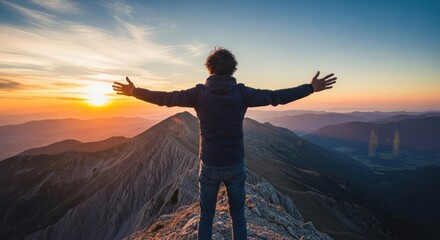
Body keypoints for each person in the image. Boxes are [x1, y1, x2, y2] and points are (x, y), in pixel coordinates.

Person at [112, 47, 337, 240]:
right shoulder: (241, 93)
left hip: (209, 163)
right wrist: (310, 88)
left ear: (209, 69)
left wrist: (135, 92)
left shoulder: (198, 93)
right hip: (235, 163)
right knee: (237, 214)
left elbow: (167, 99)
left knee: (206, 214)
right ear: (233, 69)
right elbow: (276, 97)